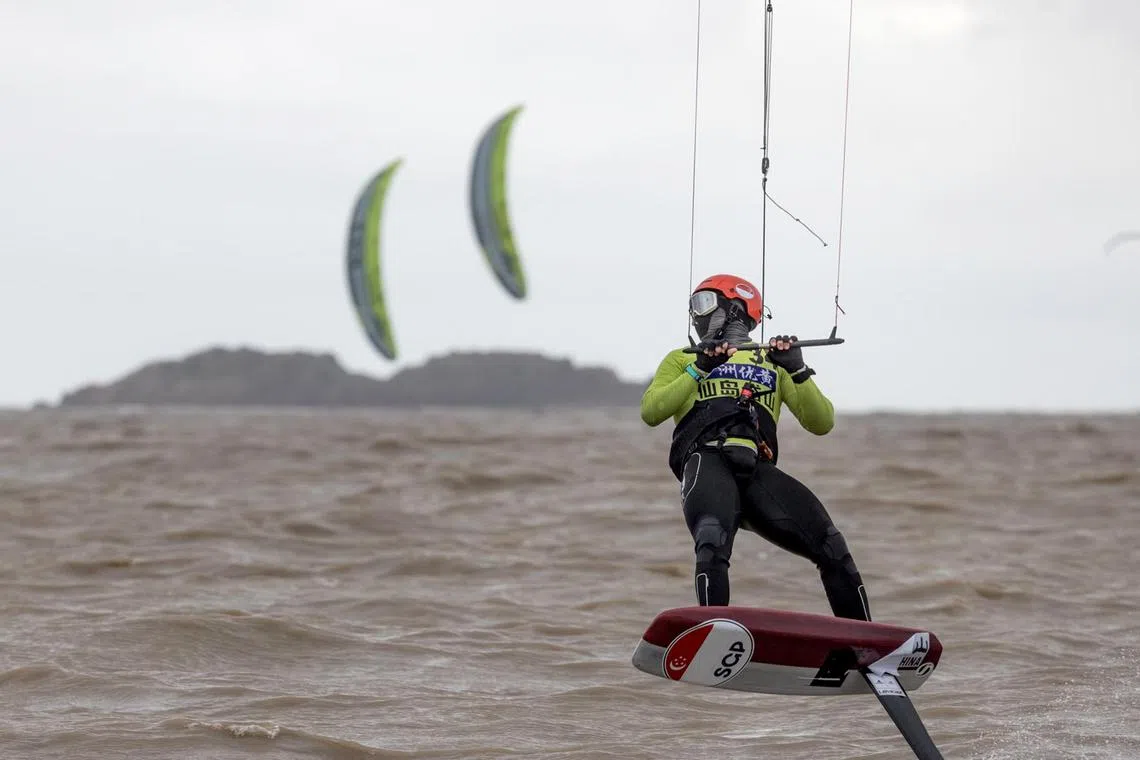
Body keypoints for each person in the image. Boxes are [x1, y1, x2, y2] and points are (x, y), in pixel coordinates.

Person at [640, 273, 871, 621]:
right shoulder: (683, 358)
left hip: (756, 468)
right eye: (693, 307)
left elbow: (822, 423)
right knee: (711, 538)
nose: (696, 315)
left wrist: (797, 370)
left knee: (832, 545)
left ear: (735, 309)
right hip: (707, 462)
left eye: (703, 303)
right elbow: (652, 412)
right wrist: (699, 369)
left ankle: (867, 645)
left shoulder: (771, 362)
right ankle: (713, 633)